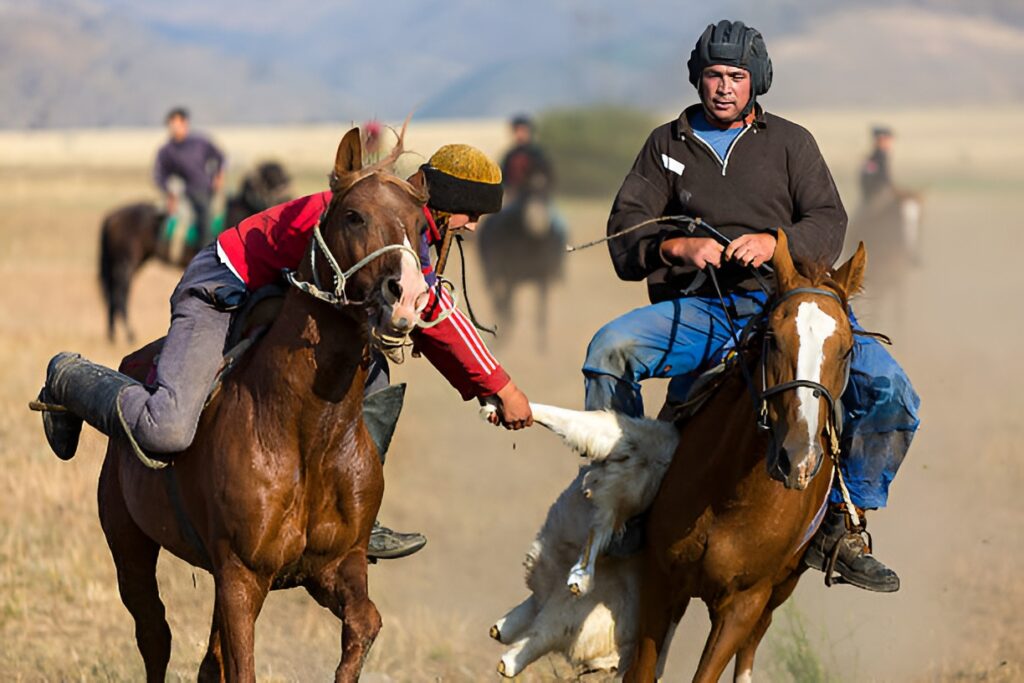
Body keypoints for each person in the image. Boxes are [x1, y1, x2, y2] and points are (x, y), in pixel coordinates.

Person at [38, 142, 533, 561]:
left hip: (280, 295)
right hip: (224, 286)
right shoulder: (374, 218)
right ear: (446, 201)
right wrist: (501, 387)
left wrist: (483, 386)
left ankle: (361, 517)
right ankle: (69, 378)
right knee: (165, 428)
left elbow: (414, 304)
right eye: (472, 214)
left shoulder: (402, 225)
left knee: (371, 377)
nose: (472, 226)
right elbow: (434, 312)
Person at [582, 20, 920, 592]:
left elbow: (829, 220)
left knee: (891, 390)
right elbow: (625, 230)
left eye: (736, 76)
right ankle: (623, 503)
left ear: (756, 80)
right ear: (697, 78)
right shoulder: (667, 145)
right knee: (609, 348)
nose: (724, 87)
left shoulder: (791, 143)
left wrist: (773, 242)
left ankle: (842, 524)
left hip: (792, 308)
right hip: (706, 309)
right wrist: (674, 246)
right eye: (714, 75)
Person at [154, 107, 226, 248]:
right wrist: (170, 191)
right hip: (187, 192)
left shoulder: (200, 142)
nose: (175, 128)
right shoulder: (167, 151)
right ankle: (205, 251)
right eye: (172, 124)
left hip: (209, 187)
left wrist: (219, 176)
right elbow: (159, 175)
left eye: (178, 124)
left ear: (185, 123)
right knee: (204, 216)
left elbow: (220, 157)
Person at [860, 125, 895, 204]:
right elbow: (869, 182)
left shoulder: (882, 157)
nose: (889, 143)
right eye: (886, 140)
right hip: (875, 199)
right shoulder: (874, 160)